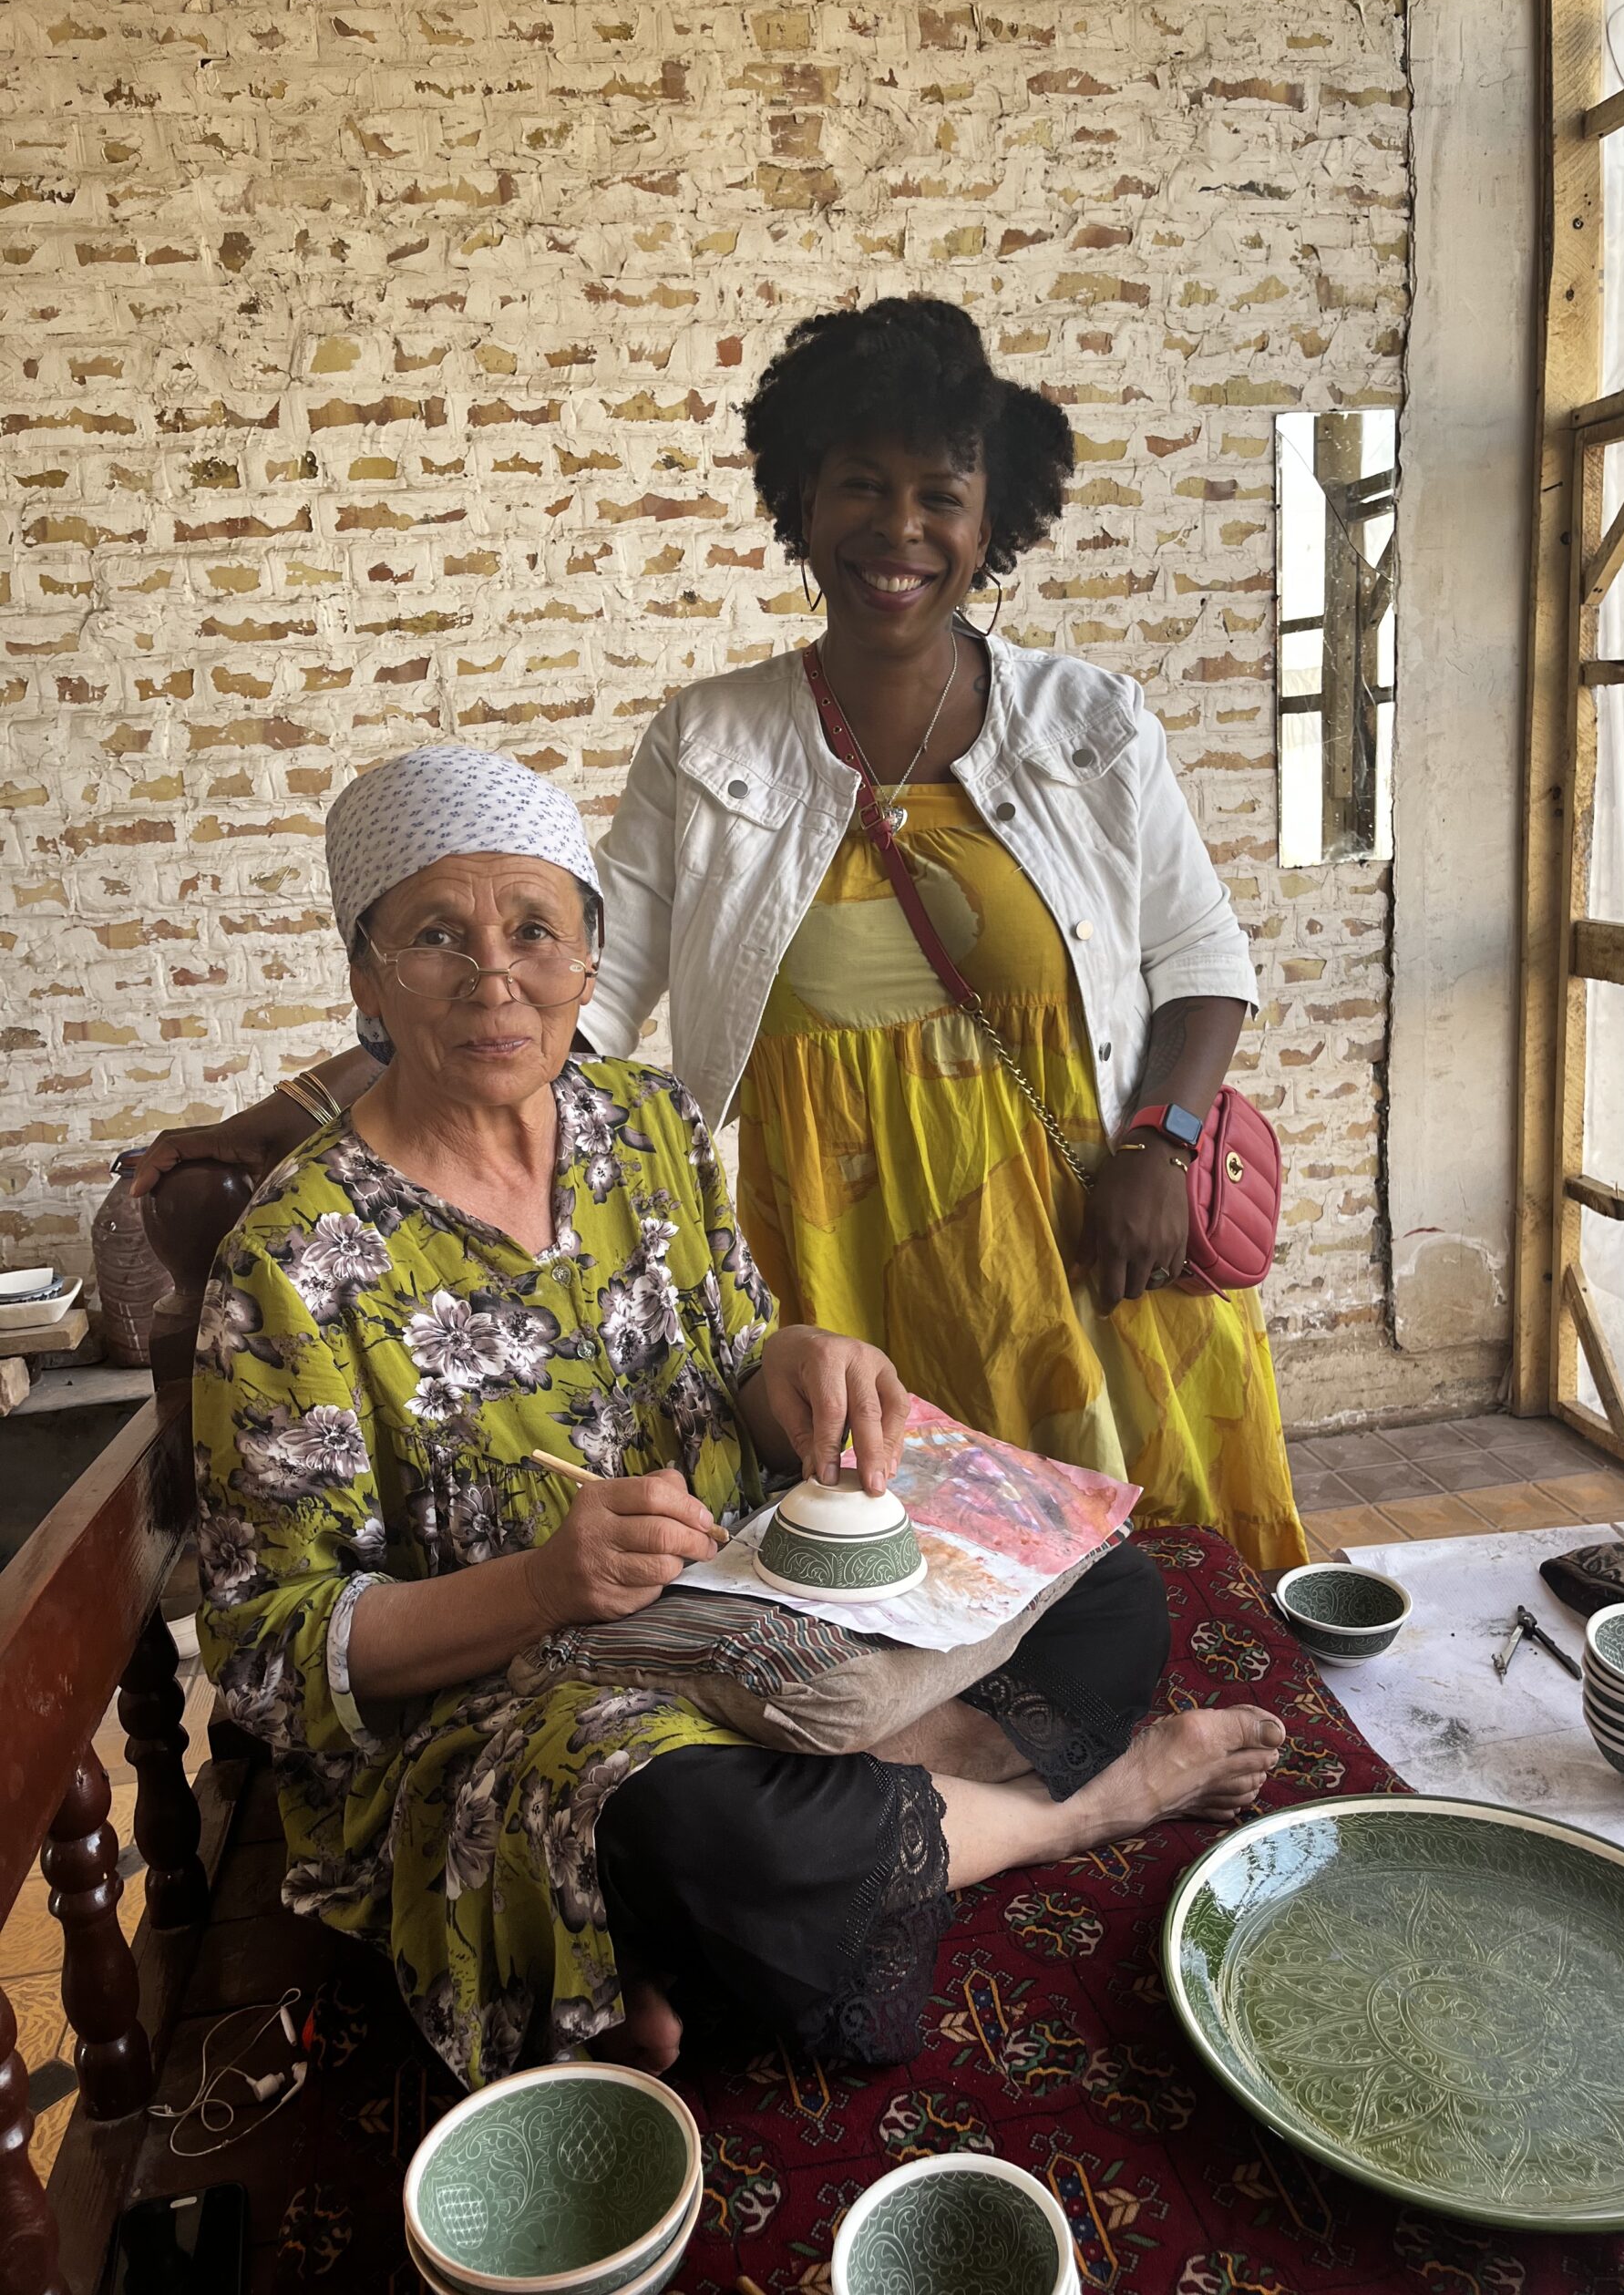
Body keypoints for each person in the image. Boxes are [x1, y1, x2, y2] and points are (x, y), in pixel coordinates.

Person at [141, 296, 1302, 1573]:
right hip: (843, 1253)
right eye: (863, 485)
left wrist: (1162, 1140)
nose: (900, 529)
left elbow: (1202, 967)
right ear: (802, 499)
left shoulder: (1094, 724)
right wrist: (283, 1116)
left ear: (993, 518)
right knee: (900, 1585)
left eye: (941, 494)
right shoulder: (709, 745)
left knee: (1160, 1582)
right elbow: (553, 1001)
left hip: (1096, 1235)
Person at [191, 746, 1286, 2091]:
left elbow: (733, 1364)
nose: (495, 978)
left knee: (1104, 1587)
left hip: (752, 1615)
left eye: (537, 929)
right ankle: (1075, 1813)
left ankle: (854, 1823)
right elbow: (268, 1652)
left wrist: (805, 1368)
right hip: (521, 1703)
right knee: (704, 1830)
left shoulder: (647, 1125)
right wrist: (546, 1583)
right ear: (366, 975)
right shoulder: (291, 1263)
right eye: (436, 937)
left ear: (590, 954)